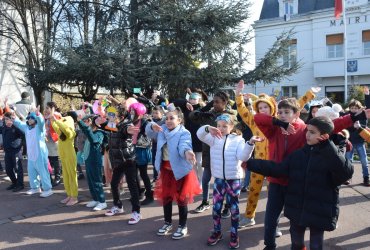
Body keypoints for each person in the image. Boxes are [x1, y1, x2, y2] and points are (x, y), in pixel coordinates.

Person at [247, 116, 354, 250]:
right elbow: (278, 169)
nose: (307, 135)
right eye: (307, 131)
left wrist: (328, 147)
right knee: (296, 243)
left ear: (325, 136)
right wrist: (250, 163)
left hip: (319, 209)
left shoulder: (332, 155)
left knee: (316, 245)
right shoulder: (298, 154)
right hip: (296, 208)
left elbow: (345, 172)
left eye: (312, 132)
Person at [197, 114, 258, 249]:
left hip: (234, 179)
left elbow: (243, 156)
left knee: (234, 208)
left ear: (232, 127)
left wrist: (250, 144)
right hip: (219, 178)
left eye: (225, 126)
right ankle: (217, 232)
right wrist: (208, 128)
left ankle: (234, 234)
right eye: (219, 125)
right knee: (216, 207)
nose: (221, 128)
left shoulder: (238, 140)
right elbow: (199, 134)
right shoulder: (213, 138)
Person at [146, 107, 201, 240]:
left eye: (172, 118)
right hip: (166, 170)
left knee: (182, 199)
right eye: (167, 118)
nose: (168, 121)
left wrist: (187, 152)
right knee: (166, 198)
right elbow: (149, 131)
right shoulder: (162, 129)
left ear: (180, 120)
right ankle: (167, 223)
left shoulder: (184, 132)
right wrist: (151, 125)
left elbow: (184, 145)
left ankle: (183, 226)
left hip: (180, 171)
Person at [189, 91, 237, 214]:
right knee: (205, 179)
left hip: (224, 153)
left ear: (225, 103)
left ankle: (227, 206)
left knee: (224, 180)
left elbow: (237, 129)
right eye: (213, 101)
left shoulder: (231, 115)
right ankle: (205, 201)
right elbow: (192, 116)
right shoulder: (209, 114)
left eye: (217, 102)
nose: (214, 104)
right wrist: (206, 106)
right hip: (208, 151)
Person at [105, 104, 142, 224]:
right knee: (114, 183)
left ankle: (136, 212)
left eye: (111, 114)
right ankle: (118, 206)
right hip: (117, 160)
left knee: (132, 186)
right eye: (108, 114)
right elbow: (113, 137)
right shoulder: (112, 124)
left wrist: (129, 130)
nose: (108, 116)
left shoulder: (126, 124)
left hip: (128, 160)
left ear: (120, 116)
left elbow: (125, 130)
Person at [13, 108, 53, 197]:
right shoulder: (27, 128)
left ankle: (48, 189)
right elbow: (19, 123)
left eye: (31, 118)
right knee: (31, 172)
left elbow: (42, 122)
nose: (29, 120)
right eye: (29, 118)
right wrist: (13, 116)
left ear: (35, 119)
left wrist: (38, 114)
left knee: (43, 172)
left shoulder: (39, 128)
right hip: (31, 154)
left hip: (40, 154)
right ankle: (35, 188)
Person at [77, 114, 107, 211]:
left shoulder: (100, 133)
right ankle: (95, 199)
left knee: (96, 180)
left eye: (88, 120)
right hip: (88, 159)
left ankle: (102, 201)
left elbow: (93, 140)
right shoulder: (91, 130)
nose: (87, 122)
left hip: (95, 160)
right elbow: (86, 130)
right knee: (90, 180)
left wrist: (82, 123)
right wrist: (79, 121)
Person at [50, 109, 78, 206]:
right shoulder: (61, 134)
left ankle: (74, 197)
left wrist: (57, 120)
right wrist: (52, 119)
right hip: (63, 155)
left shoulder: (71, 133)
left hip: (70, 155)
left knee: (72, 176)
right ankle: (69, 195)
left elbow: (67, 130)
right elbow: (57, 128)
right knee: (65, 176)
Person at [345, 99, 369, 187]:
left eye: (355, 108)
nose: (354, 109)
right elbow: (345, 125)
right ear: (349, 108)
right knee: (348, 161)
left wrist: (358, 127)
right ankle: (347, 177)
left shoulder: (362, 116)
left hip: (360, 142)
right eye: (352, 108)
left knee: (364, 161)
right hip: (350, 142)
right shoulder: (348, 116)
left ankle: (366, 178)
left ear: (359, 108)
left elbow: (364, 127)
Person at [2, 112, 24, 192]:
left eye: (8, 119)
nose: (6, 121)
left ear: (12, 119)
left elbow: (24, 136)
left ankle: (20, 185)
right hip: (7, 152)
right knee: (8, 170)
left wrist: (21, 147)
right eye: (5, 119)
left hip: (16, 152)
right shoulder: (4, 127)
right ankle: (14, 183)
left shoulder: (16, 128)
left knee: (18, 169)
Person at [44, 102, 62, 186]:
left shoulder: (57, 115)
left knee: (55, 159)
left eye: (48, 108)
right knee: (49, 159)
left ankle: (58, 177)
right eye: (46, 108)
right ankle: (50, 177)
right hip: (48, 140)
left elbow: (58, 126)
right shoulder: (46, 117)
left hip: (55, 139)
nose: (46, 109)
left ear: (52, 108)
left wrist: (52, 115)